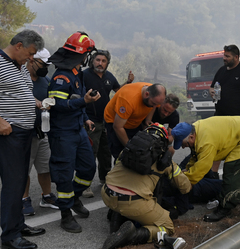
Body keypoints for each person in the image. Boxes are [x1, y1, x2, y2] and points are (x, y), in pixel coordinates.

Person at [0, 30, 46, 249]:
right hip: (7, 133)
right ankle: (10, 237)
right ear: (18, 45)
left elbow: (22, 94)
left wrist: (37, 103)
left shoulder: (19, 67)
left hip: (23, 131)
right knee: (13, 182)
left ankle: (17, 225)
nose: (31, 59)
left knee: (20, 180)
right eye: (30, 53)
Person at [101, 124, 190, 249]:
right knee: (168, 226)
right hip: (133, 203)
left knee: (124, 194)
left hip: (107, 194)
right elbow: (185, 187)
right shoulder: (165, 160)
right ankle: (133, 235)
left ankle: (117, 217)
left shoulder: (127, 150)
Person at [47, 31, 101, 233]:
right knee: (64, 175)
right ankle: (66, 215)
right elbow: (58, 105)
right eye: (88, 53)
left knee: (88, 169)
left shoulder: (76, 73)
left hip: (78, 130)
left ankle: (74, 198)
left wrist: (85, 116)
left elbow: (78, 101)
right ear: (82, 54)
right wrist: (84, 101)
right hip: (63, 134)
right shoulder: (61, 76)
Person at [172, 116, 240, 222]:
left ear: (192, 137)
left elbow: (203, 167)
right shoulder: (196, 129)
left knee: (233, 169)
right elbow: (196, 155)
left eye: (184, 144)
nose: (183, 147)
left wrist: (185, 180)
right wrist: (187, 170)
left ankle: (225, 208)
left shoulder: (206, 142)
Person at [82, 50, 134, 198]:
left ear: (107, 63)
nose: (100, 63)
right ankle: (85, 185)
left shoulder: (110, 77)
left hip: (106, 122)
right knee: (89, 153)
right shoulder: (84, 75)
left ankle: (104, 180)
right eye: (97, 60)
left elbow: (119, 92)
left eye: (103, 61)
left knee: (106, 153)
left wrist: (128, 83)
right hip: (90, 121)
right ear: (93, 61)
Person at [22, 48, 58, 216]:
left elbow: (52, 97)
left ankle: (47, 196)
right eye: (43, 64)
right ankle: (24, 199)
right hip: (24, 132)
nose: (45, 68)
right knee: (23, 169)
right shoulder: (20, 78)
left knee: (45, 167)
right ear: (32, 60)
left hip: (42, 131)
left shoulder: (45, 79)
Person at [103, 82, 166, 159]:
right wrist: (129, 147)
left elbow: (153, 106)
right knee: (122, 154)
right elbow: (118, 127)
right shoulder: (128, 99)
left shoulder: (155, 95)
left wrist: (148, 119)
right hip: (116, 122)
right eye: (153, 103)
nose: (154, 106)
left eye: (156, 104)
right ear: (146, 94)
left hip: (134, 122)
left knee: (139, 150)